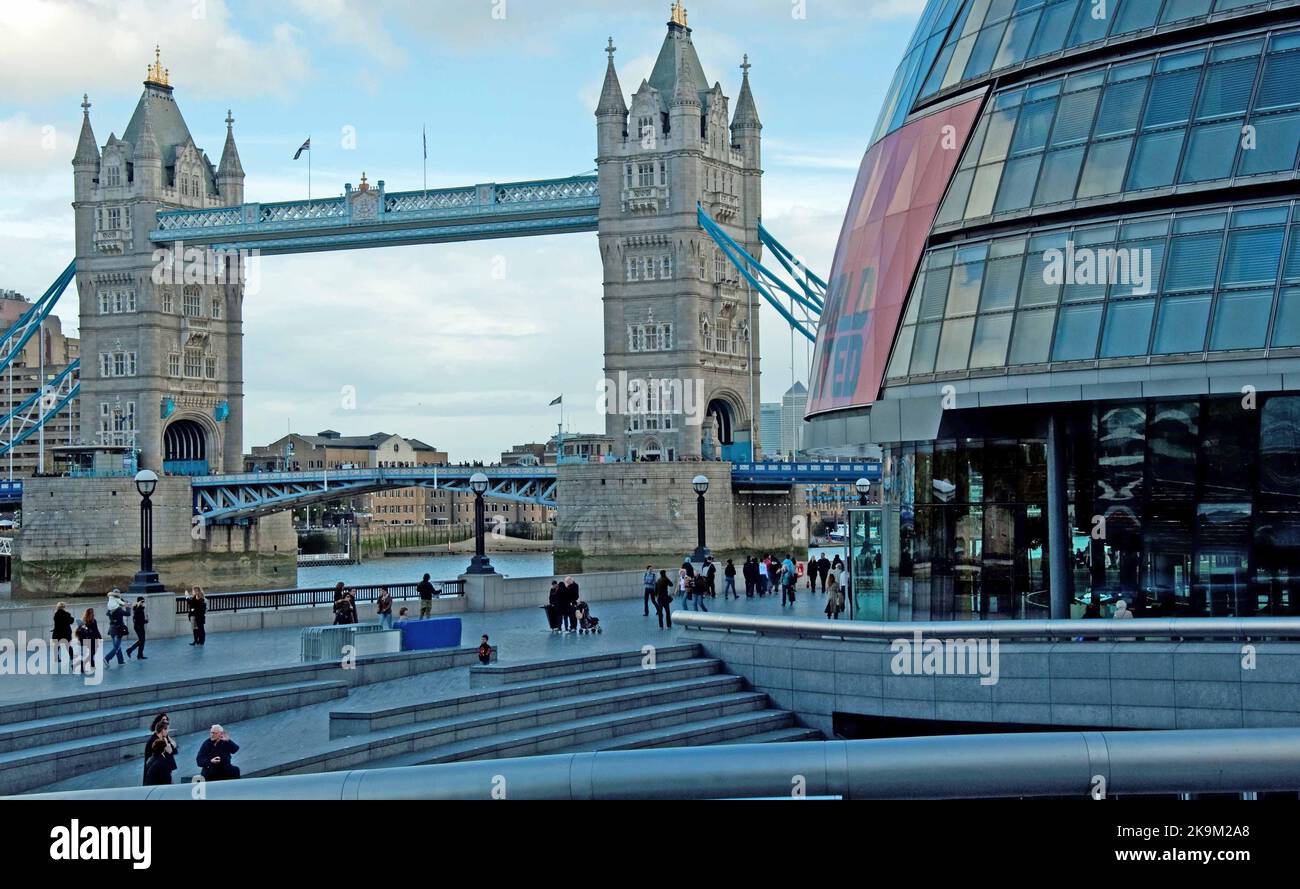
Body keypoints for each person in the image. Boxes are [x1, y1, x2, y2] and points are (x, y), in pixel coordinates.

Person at [143, 714, 178, 786]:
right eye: (166, 729)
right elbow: (168, 752)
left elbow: (174, 749)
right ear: (162, 729)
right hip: (159, 775)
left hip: (162, 771)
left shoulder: (164, 738)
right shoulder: (155, 741)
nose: (168, 731)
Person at [104, 589, 130, 667]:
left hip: (112, 629)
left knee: (117, 646)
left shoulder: (110, 609)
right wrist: (127, 606)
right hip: (118, 629)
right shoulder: (118, 610)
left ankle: (120, 661)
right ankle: (107, 658)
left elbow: (107, 613)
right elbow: (128, 613)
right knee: (116, 647)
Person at [74, 607, 100, 674]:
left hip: (89, 639)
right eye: (92, 612)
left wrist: (99, 637)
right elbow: (95, 630)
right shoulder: (89, 621)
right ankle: (89, 665)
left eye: (93, 612)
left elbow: (96, 630)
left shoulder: (88, 620)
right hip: (90, 639)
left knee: (90, 653)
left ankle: (87, 665)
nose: (93, 613)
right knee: (91, 653)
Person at [52, 602, 74, 670]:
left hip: (58, 632)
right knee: (68, 645)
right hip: (65, 632)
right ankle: (72, 657)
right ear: (64, 607)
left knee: (57, 645)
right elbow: (71, 621)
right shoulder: (67, 614)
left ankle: (57, 658)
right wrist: (71, 617)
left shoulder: (55, 614)